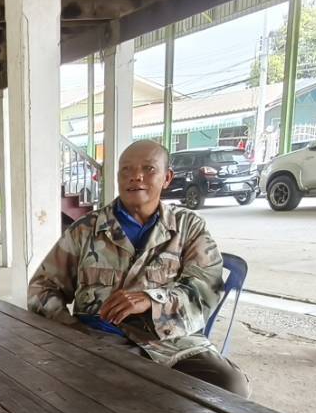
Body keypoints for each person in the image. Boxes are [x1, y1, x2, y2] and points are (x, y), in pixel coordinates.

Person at [28, 138, 250, 397]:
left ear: (167, 178)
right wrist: (71, 333)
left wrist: (152, 300)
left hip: (172, 342)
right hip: (100, 341)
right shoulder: (86, 230)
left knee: (231, 386)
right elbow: (42, 288)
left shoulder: (189, 227)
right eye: (126, 170)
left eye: (149, 169)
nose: (136, 177)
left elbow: (205, 290)